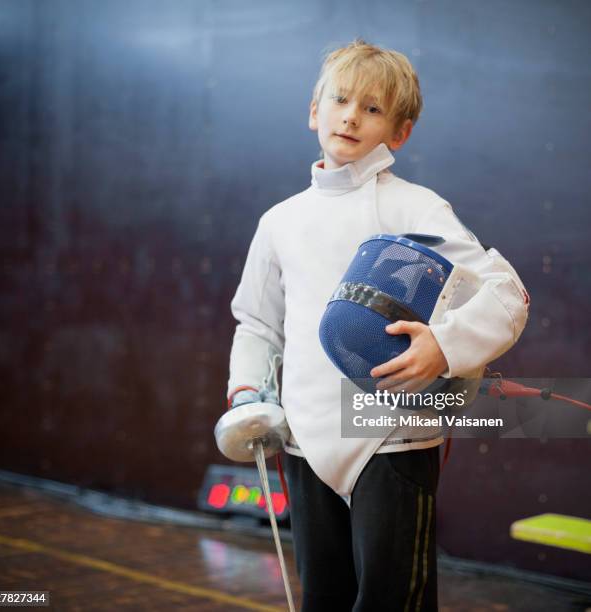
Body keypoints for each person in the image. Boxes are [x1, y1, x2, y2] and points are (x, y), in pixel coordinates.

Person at [226, 39, 529, 611]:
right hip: (304, 437)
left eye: (372, 109)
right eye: (340, 101)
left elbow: (506, 294)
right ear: (314, 110)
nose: (351, 116)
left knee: (394, 602)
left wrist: (444, 345)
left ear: (400, 131)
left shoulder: (415, 206)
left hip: (390, 434)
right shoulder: (280, 221)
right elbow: (257, 323)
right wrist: (247, 394)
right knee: (326, 598)